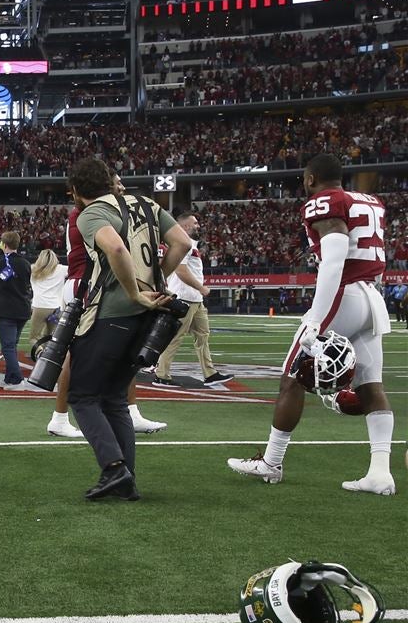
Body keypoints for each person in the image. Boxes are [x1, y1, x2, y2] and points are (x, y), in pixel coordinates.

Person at [228, 154, 394, 495]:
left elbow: (334, 258)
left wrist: (315, 319)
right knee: (371, 387)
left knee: (292, 378)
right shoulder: (370, 200)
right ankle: (380, 472)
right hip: (373, 298)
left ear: (311, 178)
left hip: (343, 294)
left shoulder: (324, 201)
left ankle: (271, 462)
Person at [66, 157, 191, 501]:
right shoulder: (147, 203)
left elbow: (116, 247)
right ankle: (126, 480)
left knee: (83, 396)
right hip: (148, 316)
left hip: (111, 312)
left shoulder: (91, 212)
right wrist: (156, 279)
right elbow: (182, 243)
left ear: (76, 191)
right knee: (115, 399)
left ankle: (113, 467)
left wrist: (134, 291)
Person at [153, 212, 234, 388]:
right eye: (195, 223)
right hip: (184, 298)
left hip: (194, 300)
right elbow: (181, 271)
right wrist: (201, 288)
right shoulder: (185, 244)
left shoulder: (191, 244)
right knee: (175, 337)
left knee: (202, 336)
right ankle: (161, 375)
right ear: (185, 226)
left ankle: (210, 373)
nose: (198, 226)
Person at [0, 231, 33, 390]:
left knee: (7, 346)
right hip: (23, 309)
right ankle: (9, 377)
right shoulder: (25, 263)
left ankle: (17, 380)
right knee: (12, 345)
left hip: (7, 310)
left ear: (4, 244)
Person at [28, 249, 64, 346]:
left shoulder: (32, 269)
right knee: (50, 337)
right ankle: (47, 358)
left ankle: (39, 353)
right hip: (57, 307)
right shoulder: (62, 269)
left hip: (40, 306)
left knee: (33, 338)